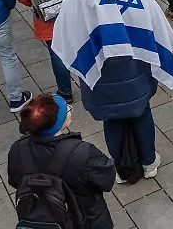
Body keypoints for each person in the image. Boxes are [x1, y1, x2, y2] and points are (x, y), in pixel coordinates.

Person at [52, 0, 173, 180]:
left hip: (100, 74)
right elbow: (159, 30)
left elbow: (65, 34)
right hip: (135, 70)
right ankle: (149, 162)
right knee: (141, 114)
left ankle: (121, 169)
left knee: (112, 121)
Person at [9, 93, 117, 229]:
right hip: (87, 220)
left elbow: (14, 180)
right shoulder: (83, 153)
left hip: (38, 219)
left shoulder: (18, 149)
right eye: (67, 109)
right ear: (58, 124)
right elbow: (106, 180)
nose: (70, 109)